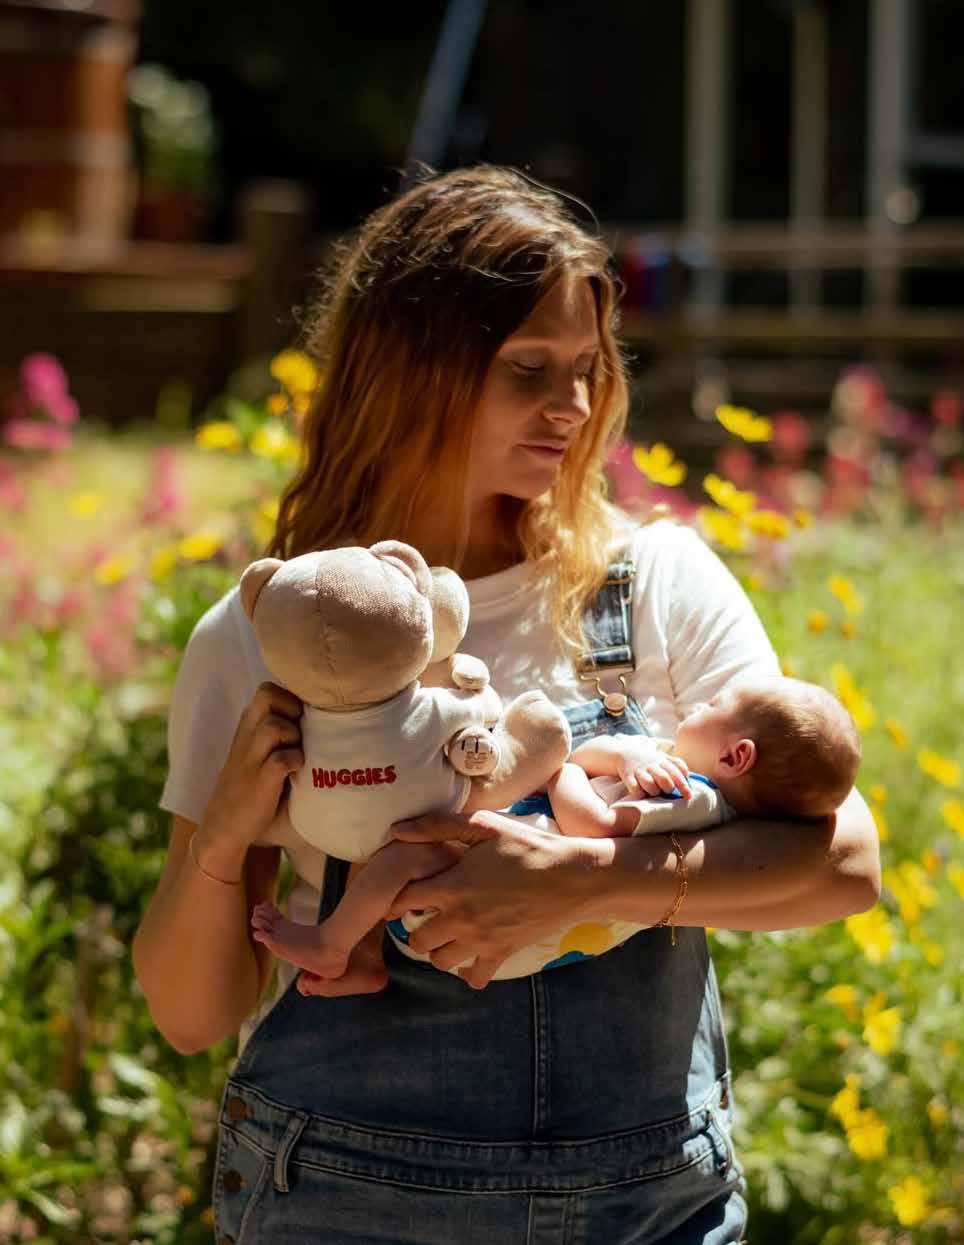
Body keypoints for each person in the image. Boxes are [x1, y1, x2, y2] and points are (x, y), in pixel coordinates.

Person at [132, 165, 881, 1244]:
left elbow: (846, 864)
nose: (572, 407)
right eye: (529, 368)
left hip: (648, 1208)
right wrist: (223, 841)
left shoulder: (653, 582)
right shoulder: (271, 629)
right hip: (342, 1200)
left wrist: (586, 878)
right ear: (409, 370)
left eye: (586, 369)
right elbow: (189, 1014)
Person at [248, 675, 861, 985]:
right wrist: (622, 755)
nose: (697, 708)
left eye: (714, 708)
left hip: (483, 914)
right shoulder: (675, 778)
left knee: (400, 853)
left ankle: (335, 947)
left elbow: (591, 826)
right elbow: (600, 763)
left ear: (736, 756)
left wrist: (560, 768)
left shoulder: (692, 799)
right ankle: (361, 958)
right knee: (396, 847)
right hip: (504, 916)